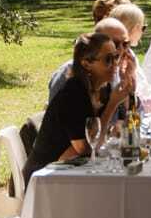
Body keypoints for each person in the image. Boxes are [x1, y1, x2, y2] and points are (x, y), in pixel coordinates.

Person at [22, 29, 130, 180]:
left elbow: (118, 127)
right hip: (45, 176)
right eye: (108, 59)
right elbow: (86, 148)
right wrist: (112, 104)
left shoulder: (104, 88)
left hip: (73, 169)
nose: (115, 64)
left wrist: (126, 88)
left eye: (116, 57)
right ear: (86, 63)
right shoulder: (73, 93)